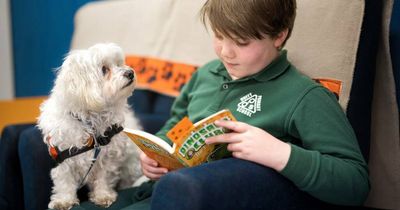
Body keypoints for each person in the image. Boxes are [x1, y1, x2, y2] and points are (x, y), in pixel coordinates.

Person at [73, 0, 369, 209]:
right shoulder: (206, 74)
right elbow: (176, 125)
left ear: (279, 36)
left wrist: (281, 153)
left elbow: (355, 183)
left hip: (209, 194)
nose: (226, 52)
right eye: (219, 36)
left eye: (241, 43)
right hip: (151, 191)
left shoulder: (303, 96)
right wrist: (156, 154)